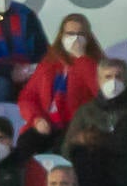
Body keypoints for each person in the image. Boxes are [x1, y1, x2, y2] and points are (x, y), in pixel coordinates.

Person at [17, 13, 102, 156]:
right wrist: (36, 119)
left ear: (88, 38)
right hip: (47, 123)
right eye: (70, 34)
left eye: (80, 34)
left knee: (63, 149)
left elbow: (101, 93)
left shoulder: (95, 63)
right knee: (25, 144)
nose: (75, 38)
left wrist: (82, 60)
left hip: (76, 125)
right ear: (61, 36)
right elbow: (27, 97)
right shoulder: (49, 63)